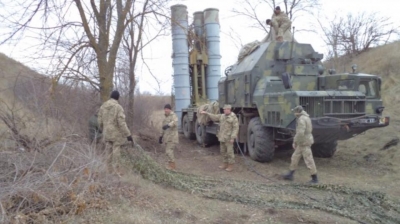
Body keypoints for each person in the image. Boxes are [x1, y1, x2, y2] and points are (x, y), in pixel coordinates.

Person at [98, 90, 134, 174]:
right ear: (118, 97)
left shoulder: (103, 106)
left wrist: (103, 128)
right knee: (116, 150)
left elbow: (99, 120)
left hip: (106, 132)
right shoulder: (118, 107)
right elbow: (121, 123)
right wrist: (128, 134)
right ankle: (116, 169)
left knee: (108, 150)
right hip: (116, 134)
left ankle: (108, 169)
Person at [282, 105, 318, 183]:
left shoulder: (301, 119)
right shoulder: (306, 117)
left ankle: (315, 178)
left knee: (309, 160)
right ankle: (290, 174)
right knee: (295, 157)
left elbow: (300, 133)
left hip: (304, 142)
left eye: (295, 111)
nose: (294, 113)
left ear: (298, 112)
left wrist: (295, 141)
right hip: (303, 142)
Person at [200, 104, 239, 172]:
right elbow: (214, 117)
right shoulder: (222, 116)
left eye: (225, 109)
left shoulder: (233, 117)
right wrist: (206, 113)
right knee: (223, 151)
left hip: (229, 138)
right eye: (223, 109)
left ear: (229, 109)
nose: (224, 110)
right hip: (222, 137)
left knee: (230, 152)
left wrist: (233, 137)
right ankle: (224, 163)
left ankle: (230, 165)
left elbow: (236, 128)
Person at [159, 104, 179, 170]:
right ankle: (170, 164)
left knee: (168, 151)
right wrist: (160, 136)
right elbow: (163, 128)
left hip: (172, 137)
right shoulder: (165, 117)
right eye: (165, 109)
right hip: (167, 137)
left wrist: (168, 125)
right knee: (167, 152)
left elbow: (175, 122)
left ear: (170, 109)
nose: (166, 110)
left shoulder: (173, 115)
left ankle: (172, 166)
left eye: (167, 109)